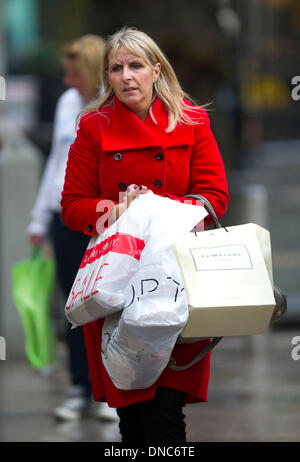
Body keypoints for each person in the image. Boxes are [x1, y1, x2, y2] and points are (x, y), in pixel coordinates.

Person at [61, 27, 229, 442]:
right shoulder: (92, 128)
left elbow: (215, 196)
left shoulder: (192, 120)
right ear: (107, 77)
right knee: (132, 417)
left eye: (136, 66)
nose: (127, 76)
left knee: (166, 414)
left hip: (177, 278)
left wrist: (157, 209)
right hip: (117, 281)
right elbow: (73, 206)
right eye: (116, 68)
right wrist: (119, 210)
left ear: (156, 70)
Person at [27, 35, 118, 422]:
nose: (67, 82)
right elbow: (56, 163)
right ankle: (80, 387)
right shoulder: (68, 103)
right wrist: (38, 217)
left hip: (101, 216)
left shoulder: (113, 106)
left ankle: (109, 390)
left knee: (108, 302)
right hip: (62, 214)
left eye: (72, 73)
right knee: (73, 307)